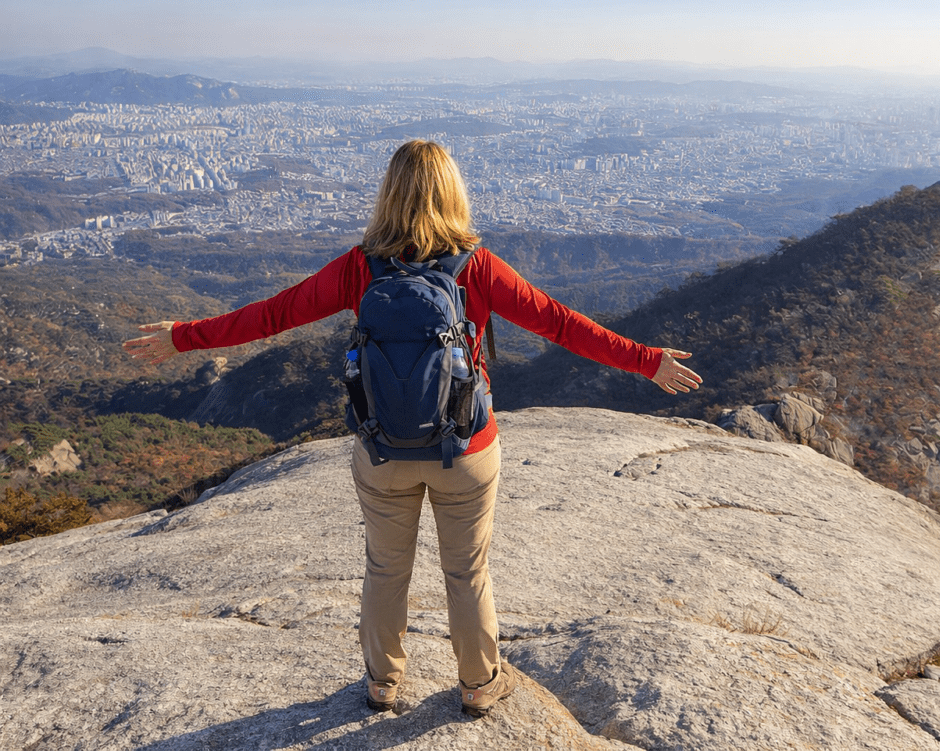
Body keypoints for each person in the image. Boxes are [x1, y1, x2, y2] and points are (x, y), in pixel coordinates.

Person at [123, 139, 702, 717]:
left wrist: (183, 336)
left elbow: (272, 315)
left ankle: (381, 684)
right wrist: (647, 360)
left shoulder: (359, 267)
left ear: (388, 194)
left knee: (384, 566)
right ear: (453, 192)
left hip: (382, 450)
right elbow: (561, 324)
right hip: (466, 447)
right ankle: (478, 684)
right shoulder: (477, 266)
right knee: (467, 570)